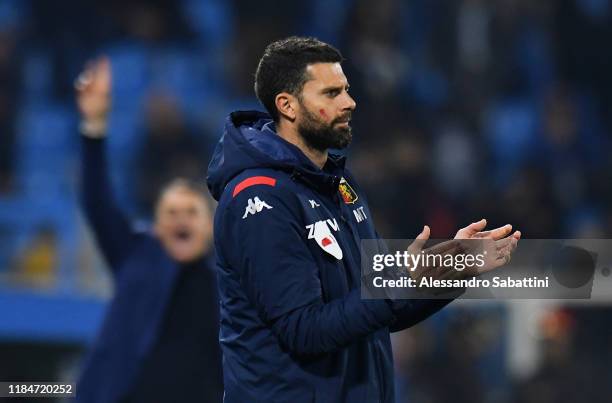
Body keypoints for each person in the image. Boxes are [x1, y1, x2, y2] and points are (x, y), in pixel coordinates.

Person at [207, 37, 521, 402]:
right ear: (287, 106)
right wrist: (400, 283)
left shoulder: (339, 184)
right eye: (331, 93)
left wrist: (452, 271)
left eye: (347, 90)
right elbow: (303, 330)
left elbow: (376, 309)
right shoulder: (258, 198)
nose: (349, 102)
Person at [75, 58, 223, 403]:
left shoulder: (230, 283)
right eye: (171, 213)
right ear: (157, 225)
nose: (181, 220)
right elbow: (97, 201)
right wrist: (94, 126)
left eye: (191, 212)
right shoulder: (135, 253)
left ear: (211, 225)